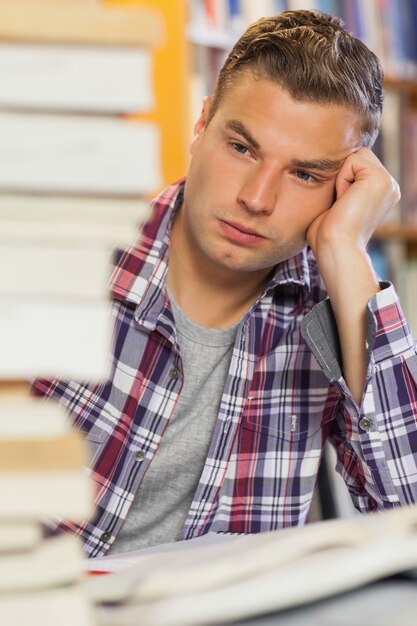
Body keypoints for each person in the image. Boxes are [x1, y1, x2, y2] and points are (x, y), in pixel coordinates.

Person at [33, 9, 417, 558]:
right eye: (242, 147)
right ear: (202, 123)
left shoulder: (331, 303)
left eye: (305, 174)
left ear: (345, 187)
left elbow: (409, 509)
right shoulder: (60, 258)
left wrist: (346, 249)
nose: (257, 199)